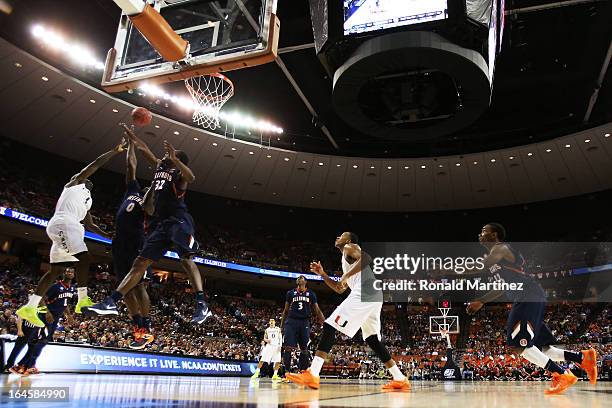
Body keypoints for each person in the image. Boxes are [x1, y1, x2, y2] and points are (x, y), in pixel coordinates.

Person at [85, 125, 211, 324]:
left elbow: (192, 178)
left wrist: (176, 160)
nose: (166, 155)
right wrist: (133, 138)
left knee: (185, 259)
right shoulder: (161, 167)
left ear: (177, 160)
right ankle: (112, 301)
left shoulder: (179, 177)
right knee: (140, 263)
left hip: (179, 220)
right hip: (162, 224)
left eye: (171, 154)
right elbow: (146, 151)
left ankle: (201, 304)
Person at [466, 223, 598, 394]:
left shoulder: (501, 248)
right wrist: (482, 301)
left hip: (526, 297)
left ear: (494, 235)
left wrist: (445, 271)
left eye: (484, 231)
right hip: (529, 297)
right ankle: (582, 357)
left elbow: (478, 267)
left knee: (519, 346)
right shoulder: (499, 263)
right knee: (543, 348)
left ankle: (561, 374)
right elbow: (503, 287)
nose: (480, 234)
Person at [286, 232, 410, 391]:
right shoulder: (346, 259)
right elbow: (339, 288)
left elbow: (367, 258)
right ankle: (400, 378)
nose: (337, 236)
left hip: (366, 292)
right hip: (372, 294)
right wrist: (323, 274)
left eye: (341, 235)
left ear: (349, 240)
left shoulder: (349, 247)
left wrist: (346, 275)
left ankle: (313, 373)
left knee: (330, 325)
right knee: (372, 340)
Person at [16, 142, 122, 327]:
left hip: (70, 228)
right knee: (84, 258)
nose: (85, 178)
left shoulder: (88, 200)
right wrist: (114, 151)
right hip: (65, 224)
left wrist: (108, 235)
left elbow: (90, 224)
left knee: (55, 271)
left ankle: (30, 307)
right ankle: (82, 300)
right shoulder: (74, 184)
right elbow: (96, 164)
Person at [110, 135, 153, 349]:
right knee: (123, 286)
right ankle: (137, 324)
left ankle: (147, 325)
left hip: (136, 244)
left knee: (138, 286)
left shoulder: (149, 204)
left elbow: (152, 207)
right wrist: (131, 145)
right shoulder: (133, 191)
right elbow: (131, 166)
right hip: (119, 242)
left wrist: (156, 185)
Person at [279, 275, 325, 375]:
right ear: (297, 282)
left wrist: (324, 322)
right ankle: (286, 373)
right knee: (288, 347)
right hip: (291, 321)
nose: (300, 278)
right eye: (299, 278)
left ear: (306, 282)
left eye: (302, 277)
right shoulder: (290, 293)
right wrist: (282, 326)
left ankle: (302, 372)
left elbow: (317, 310)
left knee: (304, 348)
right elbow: (286, 310)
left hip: (304, 321)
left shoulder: (311, 294)